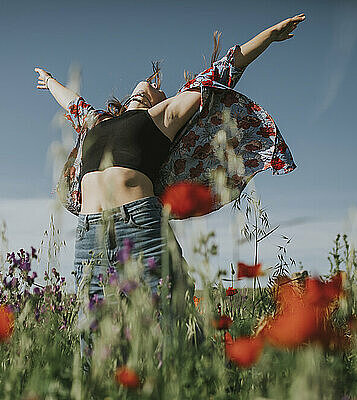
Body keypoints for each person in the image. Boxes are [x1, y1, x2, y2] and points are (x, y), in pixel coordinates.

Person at [35, 13, 304, 361]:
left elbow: (221, 72)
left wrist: (266, 37)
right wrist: (51, 80)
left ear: (158, 98)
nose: (147, 82)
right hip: (91, 233)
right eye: (146, 81)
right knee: (94, 327)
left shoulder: (159, 118)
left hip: (140, 223)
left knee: (167, 316)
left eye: (156, 85)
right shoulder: (97, 121)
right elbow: (72, 102)